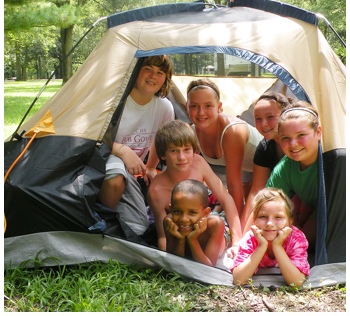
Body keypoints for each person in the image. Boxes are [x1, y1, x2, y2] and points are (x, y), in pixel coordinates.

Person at [98, 55, 175, 235]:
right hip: (106, 158)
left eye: (160, 72)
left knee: (139, 228)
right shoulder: (117, 101)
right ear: (135, 70)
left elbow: (161, 139)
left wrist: (151, 167)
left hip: (131, 174)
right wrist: (122, 150)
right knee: (116, 180)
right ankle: (100, 221)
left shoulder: (164, 107)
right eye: (148, 68)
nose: (153, 76)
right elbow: (93, 135)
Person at [147, 119, 242, 252]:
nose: (182, 157)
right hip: (180, 230)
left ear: (194, 151)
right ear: (163, 154)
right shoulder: (156, 191)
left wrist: (237, 242)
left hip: (203, 218)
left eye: (186, 150)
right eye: (174, 151)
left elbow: (226, 199)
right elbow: (163, 237)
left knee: (219, 237)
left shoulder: (198, 163)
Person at [186, 78, 263, 217]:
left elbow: (233, 184)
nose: (201, 113)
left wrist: (236, 230)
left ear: (219, 106)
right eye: (194, 106)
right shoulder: (192, 132)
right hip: (245, 170)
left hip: (267, 165)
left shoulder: (232, 132)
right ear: (187, 106)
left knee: (251, 215)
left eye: (208, 106)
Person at [266, 101, 322, 251]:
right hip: (313, 206)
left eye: (301, 135)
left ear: (318, 133)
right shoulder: (286, 166)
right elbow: (264, 203)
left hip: (330, 213)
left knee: (294, 245)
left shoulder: (333, 161)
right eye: (285, 138)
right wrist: (243, 243)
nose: (293, 144)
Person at [232, 187, 310, 287]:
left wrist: (277, 246)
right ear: (254, 220)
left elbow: (297, 282)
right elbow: (238, 280)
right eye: (263, 217)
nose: (269, 223)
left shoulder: (296, 239)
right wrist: (261, 246)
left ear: (290, 222)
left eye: (278, 217)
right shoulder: (251, 238)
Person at [240, 92, 294, 230]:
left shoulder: (298, 145)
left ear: (284, 115)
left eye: (270, 117)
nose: (263, 124)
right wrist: (243, 235)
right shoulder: (264, 148)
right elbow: (256, 192)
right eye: (258, 119)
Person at [164, 179, 227, 266]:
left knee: (220, 217)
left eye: (192, 212)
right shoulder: (169, 221)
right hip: (201, 216)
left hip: (224, 232)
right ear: (170, 210)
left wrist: (192, 240)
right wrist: (180, 240)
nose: (184, 219)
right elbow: (173, 263)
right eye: (177, 211)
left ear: (205, 213)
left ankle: (218, 206)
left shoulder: (215, 225)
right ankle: (216, 207)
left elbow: (209, 268)